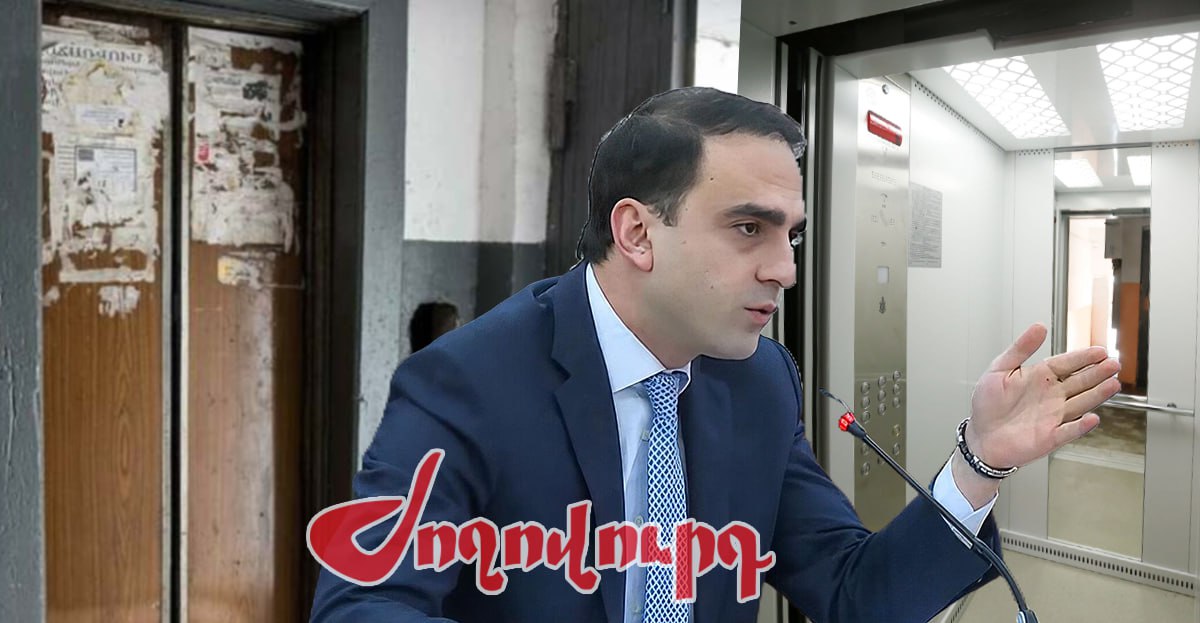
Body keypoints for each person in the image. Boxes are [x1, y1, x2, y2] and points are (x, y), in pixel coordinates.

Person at [309, 87, 1120, 622]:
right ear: (637, 232)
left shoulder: (761, 379)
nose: (785, 268)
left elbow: (853, 594)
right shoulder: (466, 382)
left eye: (790, 234)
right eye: (749, 228)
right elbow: (364, 604)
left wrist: (979, 462)